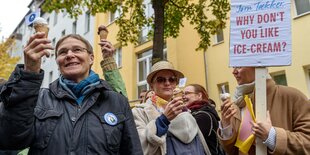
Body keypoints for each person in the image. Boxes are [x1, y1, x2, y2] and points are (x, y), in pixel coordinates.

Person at [0, 33, 143, 155]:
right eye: (62, 52)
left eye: (77, 49)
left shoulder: (117, 101)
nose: (69, 55)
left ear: (91, 58)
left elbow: (133, 151)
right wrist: (29, 73)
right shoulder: (39, 99)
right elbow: (11, 139)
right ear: (57, 62)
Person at [218, 67, 310, 155]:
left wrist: (272, 136)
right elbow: (233, 151)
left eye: (239, 66)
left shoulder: (292, 96)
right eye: (234, 67)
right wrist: (227, 128)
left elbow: (307, 142)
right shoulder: (238, 103)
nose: (234, 72)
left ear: (258, 65)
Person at [132, 60, 211, 155]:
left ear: (175, 84)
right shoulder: (139, 112)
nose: (167, 83)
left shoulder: (185, 111)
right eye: (161, 80)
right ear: (152, 86)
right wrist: (163, 120)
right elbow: (138, 148)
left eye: (172, 79)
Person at [183, 84, 225, 155]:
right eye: (182, 94)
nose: (183, 97)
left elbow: (186, 137)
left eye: (187, 93)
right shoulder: (192, 112)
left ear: (199, 95)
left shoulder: (204, 115)